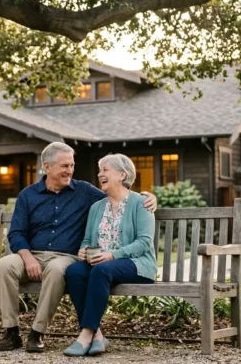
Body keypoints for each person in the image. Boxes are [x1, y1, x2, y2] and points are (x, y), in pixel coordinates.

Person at [0, 142, 157, 353]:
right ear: (47, 167)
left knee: (58, 270)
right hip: (30, 254)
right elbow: (16, 233)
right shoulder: (28, 195)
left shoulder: (84, 191)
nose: (70, 170)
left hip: (63, 256)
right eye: (64, 166)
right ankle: (11, 332)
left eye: (71, 165)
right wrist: (27, 258)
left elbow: (118, 195)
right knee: (5, 265)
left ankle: (37, 333)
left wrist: (150, 197)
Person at [62, 153, 157, 357]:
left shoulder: (141, 203)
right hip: (103, 265)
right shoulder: (97, 207)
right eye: (99, 170)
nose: (100, 174)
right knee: (74, 271)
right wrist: (84, 250)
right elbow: (88, 240)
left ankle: (86, 334)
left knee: (102, 270)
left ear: (122, 175)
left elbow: (144, 242)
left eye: (105, 170)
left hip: (136, 263)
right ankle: (98, 335)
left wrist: (113, 255)